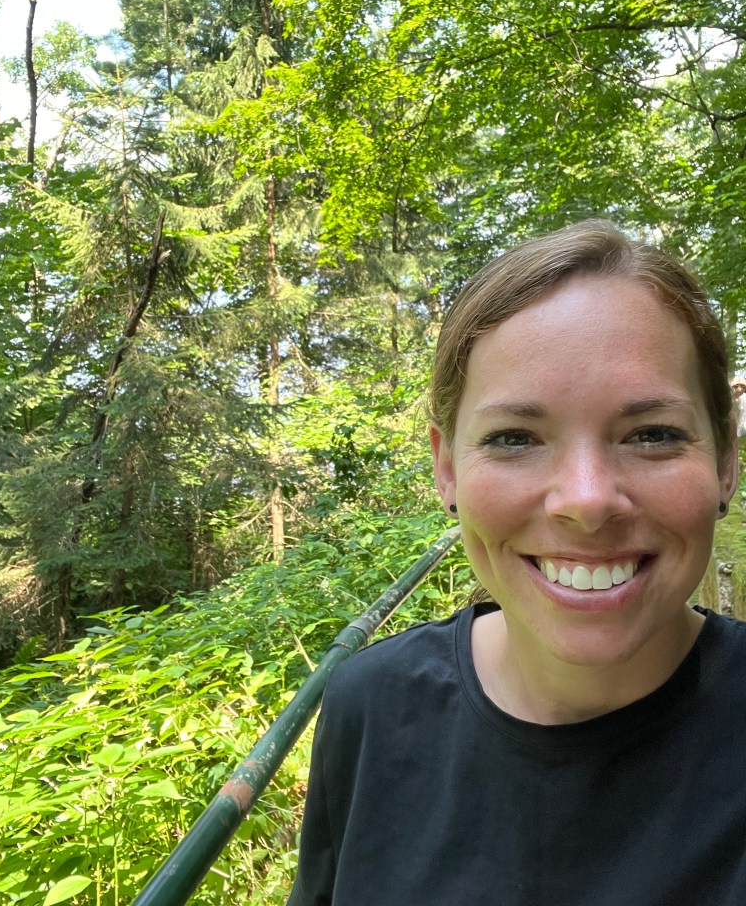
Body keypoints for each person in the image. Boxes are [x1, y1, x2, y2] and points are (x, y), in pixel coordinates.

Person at [287, 222, 744, 906]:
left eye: (651, 434)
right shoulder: (370, 706)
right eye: (514, 439)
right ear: (446, 468)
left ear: (726, 461)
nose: (587, 501)